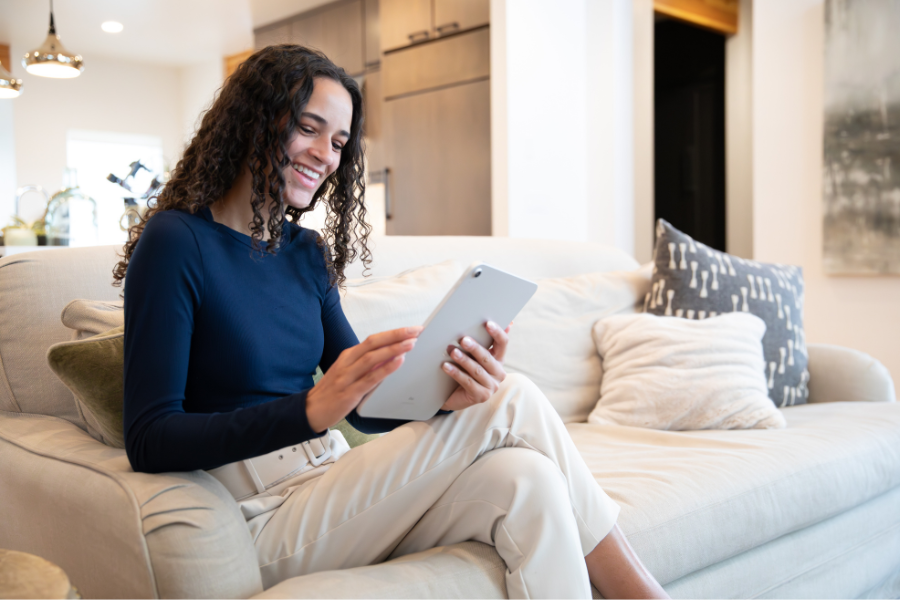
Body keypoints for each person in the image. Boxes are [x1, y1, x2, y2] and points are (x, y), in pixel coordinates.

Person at [115, 44, 669, 599]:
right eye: (309, 128)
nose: (326, 155)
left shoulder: (305, 253)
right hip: (264, 513)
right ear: (255, 120)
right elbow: (150, 438)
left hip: (334, 482)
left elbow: (364, 407)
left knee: (532, 483)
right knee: (514, 397)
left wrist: (441, 397)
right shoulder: (176, 242)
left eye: (338, 142)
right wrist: (307, 410)